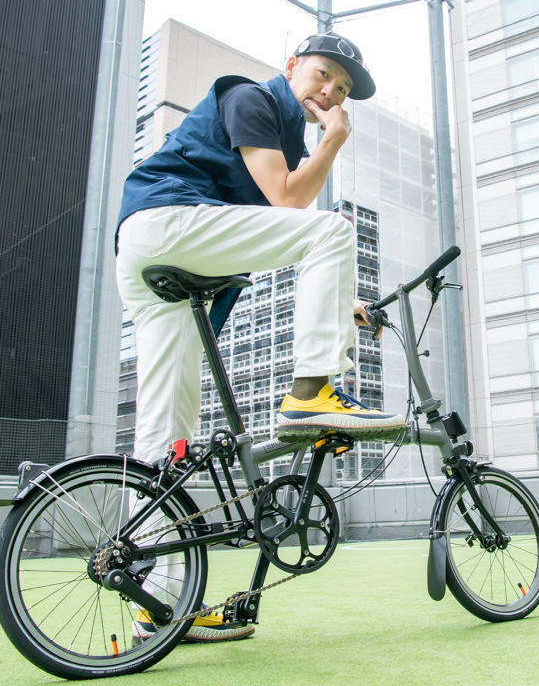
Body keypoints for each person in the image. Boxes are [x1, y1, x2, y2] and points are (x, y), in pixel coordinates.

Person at [114, 32, 405, 643]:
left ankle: (157, 607)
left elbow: (266, 230)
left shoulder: (281, 135)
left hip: (156, 256)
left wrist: (340, 300)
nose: (331, 93)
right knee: (331, 229)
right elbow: (289, 203)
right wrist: (334, 139)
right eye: (323, 75)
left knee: (165, 441)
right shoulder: (250, 98)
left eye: (342, 89)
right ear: (291, 65)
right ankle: (311, 392)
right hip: (166, 223)